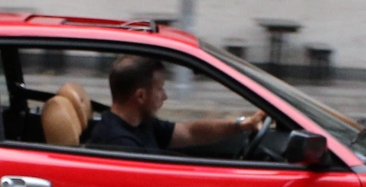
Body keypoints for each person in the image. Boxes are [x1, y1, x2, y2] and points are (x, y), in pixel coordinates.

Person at [86, 52, 265, 155]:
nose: (165, 96)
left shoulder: (140, 123)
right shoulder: (120, 145)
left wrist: (241, 125)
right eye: (160, 89)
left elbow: (190, 132)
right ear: (140, 96)